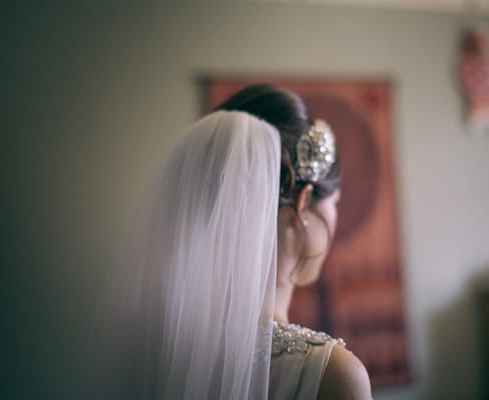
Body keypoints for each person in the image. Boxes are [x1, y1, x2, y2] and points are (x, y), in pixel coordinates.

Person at [88, 84, 371, 399]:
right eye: (336, 203)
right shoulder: (331, 375)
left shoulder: (144, 350)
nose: (335, 215)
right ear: (303, 204)